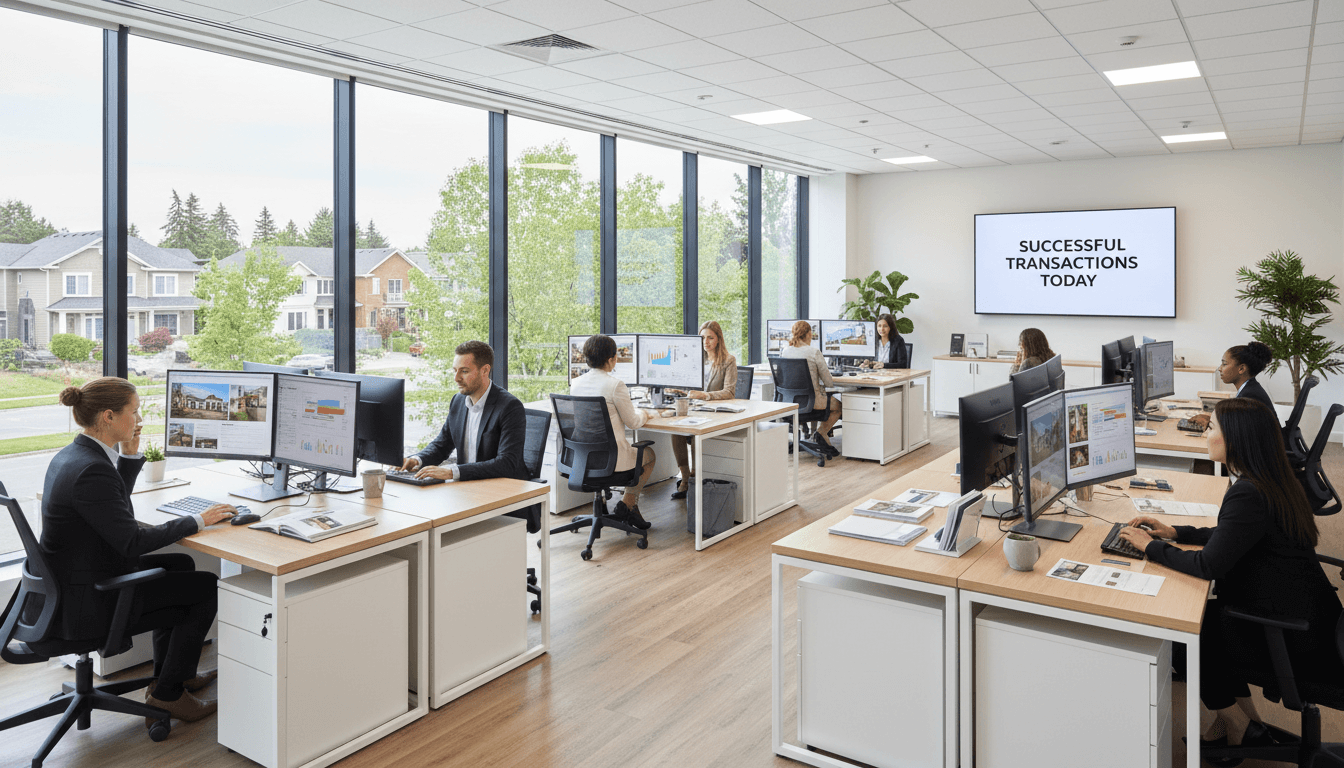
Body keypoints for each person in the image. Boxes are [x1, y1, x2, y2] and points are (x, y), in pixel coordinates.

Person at [1120, 398, 1344, 754]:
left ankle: (1240, 727)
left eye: (1211, 429)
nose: (1205, 435)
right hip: (1314, 622)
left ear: (1235, 440)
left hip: (1291, 637)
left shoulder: (1248, 493)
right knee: (1206, 622)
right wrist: (1177, 533)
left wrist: (1149, 547)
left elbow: (1208, 565)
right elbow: (1236, 538)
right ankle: (1246, 723)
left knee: (1184, 635)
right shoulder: (1273, 480)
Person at [43, 377, 235, 722]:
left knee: (180, 564)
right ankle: (168, 695)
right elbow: (131, 540)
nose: (139, 418)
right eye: (134, 411)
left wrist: (128, 459)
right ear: (109, 417)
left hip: (75, 581)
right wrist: (198, 520)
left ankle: (175, 675)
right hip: (90, 601)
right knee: (205, 588)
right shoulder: (91, 471)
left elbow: (110, 511)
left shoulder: (77, 455)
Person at [401, 340, 528, 483]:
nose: (456, 378)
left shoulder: (510, 407)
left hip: (502, 488)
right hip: (467, 486)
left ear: (485, 370)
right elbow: (442, 444)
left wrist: (451, 472)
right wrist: (416, 460)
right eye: (455, 371)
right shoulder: (458, 401)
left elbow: (506, 463)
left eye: (464, 371)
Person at [569, 334, 656, 529]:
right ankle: (627, 504)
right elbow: (633, 422)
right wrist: (646, 413)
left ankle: (611, 505)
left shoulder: (576, 383)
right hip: (611, 462)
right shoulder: (615, 385)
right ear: (611, 359)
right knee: (649, 455)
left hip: (582, 460)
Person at [667, 321, 739, 499]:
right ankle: (684, 477)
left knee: (693, 433)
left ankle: (695, 475)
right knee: (676, 430)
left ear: (718, 339)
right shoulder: (694, 359)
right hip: (693, 409)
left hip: (713, 413)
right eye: (702, 338)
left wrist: (705, 395)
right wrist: (676, 389)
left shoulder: (729, 361)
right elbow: (687, 385)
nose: (705, 342)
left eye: (710, 338)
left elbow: (729, 392)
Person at [780, 319, 841, 457]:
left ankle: (816, 435)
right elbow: (829, 382)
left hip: (790, 402)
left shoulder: (786, 351)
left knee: (815, 394)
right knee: (839, 407)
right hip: (812, 403)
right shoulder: (814, 352)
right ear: (808, 334)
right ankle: (821, 433)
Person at [1187, 341, 1276, 430]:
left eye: (1224, 364)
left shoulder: (1249, 396)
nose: (1220, 369)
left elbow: (1237, 430)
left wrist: (1211, 423)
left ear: (1241, 369)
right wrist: (1211, 419)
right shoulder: (1250, 389)